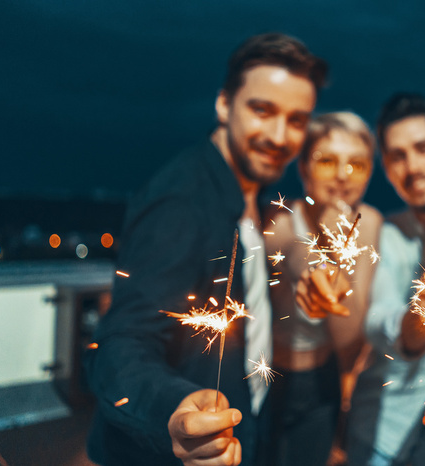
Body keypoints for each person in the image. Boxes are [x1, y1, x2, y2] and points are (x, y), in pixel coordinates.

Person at [84, 33, 327, 466]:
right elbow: (122, 343)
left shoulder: (255, 194)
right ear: (223, 104)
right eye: (262, 110)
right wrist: (175, 410)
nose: (278, 135)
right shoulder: (180, 201)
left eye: (296, 119)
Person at [297, 93, 425, 466]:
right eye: (397, 156)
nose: (411, 167)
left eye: (422, 148)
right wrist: (414, 320)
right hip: (381, 434)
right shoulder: (387, 234)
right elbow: (376, 322)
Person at [265, 111, 382, 466]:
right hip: (265, 380)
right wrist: (316, 262)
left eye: (357, 165)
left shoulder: (369, 223)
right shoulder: (278, 216)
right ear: (302, 168)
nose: (342, 177)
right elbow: (290, 250)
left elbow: (349, 344)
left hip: (322, 382)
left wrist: (339, 248)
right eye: (327, 161)